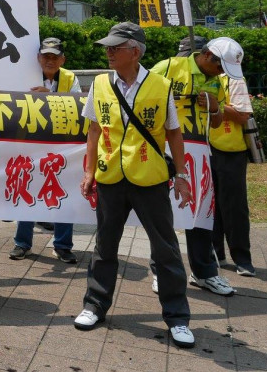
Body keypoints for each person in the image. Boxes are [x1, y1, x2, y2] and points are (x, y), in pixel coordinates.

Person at [74, 22, 195, 349]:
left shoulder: (161, 86)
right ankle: (94, 305)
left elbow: (174, 133)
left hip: (150, 178)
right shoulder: (100, 84)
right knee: (105, 245)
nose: (109, 52)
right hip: (111, 176)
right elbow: (94, 131)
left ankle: (177, 317)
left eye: (116, 46)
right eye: (108, 47)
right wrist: (89, 172)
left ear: (136, 51)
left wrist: (181, 176)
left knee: (165, 248)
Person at [148, 37, 235, 297]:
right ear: (208, 56)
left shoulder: (216, 82)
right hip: (165, 150)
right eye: (221, 67)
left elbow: (217, 122)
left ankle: (204, 272)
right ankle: (161, 271)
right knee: (163, 216)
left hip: (199, 154)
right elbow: (141, 98)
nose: (222, 73)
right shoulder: (169, 67)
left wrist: (215, 107)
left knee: (201, 216)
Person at [10, 37, 81, 264]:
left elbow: (80, 105)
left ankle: (62, 245)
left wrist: (49, 98)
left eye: (54, 56)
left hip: (63, 145)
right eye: (46, 56)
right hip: (31, 143)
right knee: (27, 188)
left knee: (64, 193)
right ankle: (22, 243)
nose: (50, 61)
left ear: (62, 59)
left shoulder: (70, 78)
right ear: (38, 58)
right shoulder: (25, 75)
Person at [206, 38, 255, 276]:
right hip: (206, 148)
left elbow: (244, 115)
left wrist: (216, 104)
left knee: (234, 205)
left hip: (230, 150)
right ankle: (216, 253)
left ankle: (242, 258)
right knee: (211, 204)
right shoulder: (202, 78)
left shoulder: (234, 80)